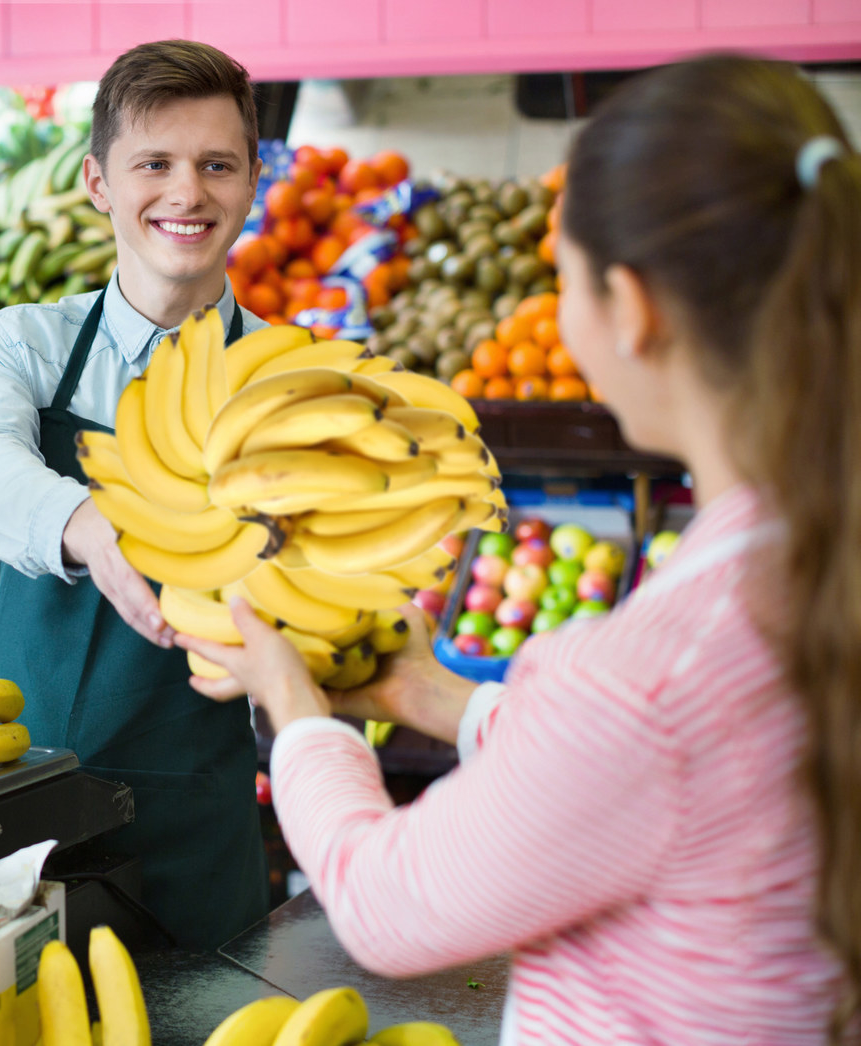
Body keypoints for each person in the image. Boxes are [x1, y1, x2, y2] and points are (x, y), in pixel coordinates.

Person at [178, 55, 858, 1042]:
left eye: (562, 272)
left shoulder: (641, 675)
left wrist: (294, 712)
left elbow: (387, 902)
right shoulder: (800, 572)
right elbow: (670, 775)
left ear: (630, 307)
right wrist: (435, 698)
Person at [0, 40, 271, 948]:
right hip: (12, 791)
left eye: (216, 165)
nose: (186, 193)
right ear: (98, 182)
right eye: (153, 164)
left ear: (251, 182)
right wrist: (90, 523)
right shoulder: (21, 346)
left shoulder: (290, 381)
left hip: (198, 824)